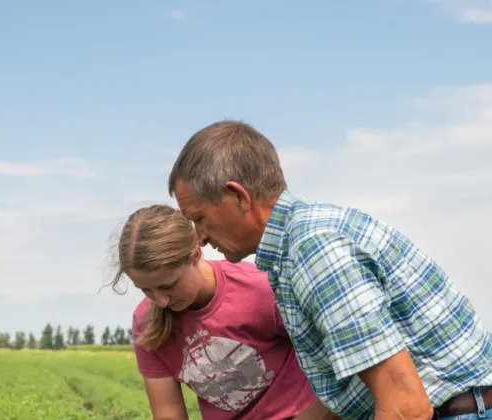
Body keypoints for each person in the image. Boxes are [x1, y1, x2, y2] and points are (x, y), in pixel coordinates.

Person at [166, 119, 492, 420]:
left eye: (199, 218)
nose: (201, 238)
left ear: (238, 197)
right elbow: (354, 389)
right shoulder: (301, 243)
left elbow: (405, 406)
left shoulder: (314, 251)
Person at [109, 204, 339, 420]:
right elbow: (168, 413)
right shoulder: (146, 322)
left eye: (168, 286)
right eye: (145, 289)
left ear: (195, 255)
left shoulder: (261, 289)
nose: (159, 301)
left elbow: (337, 371)